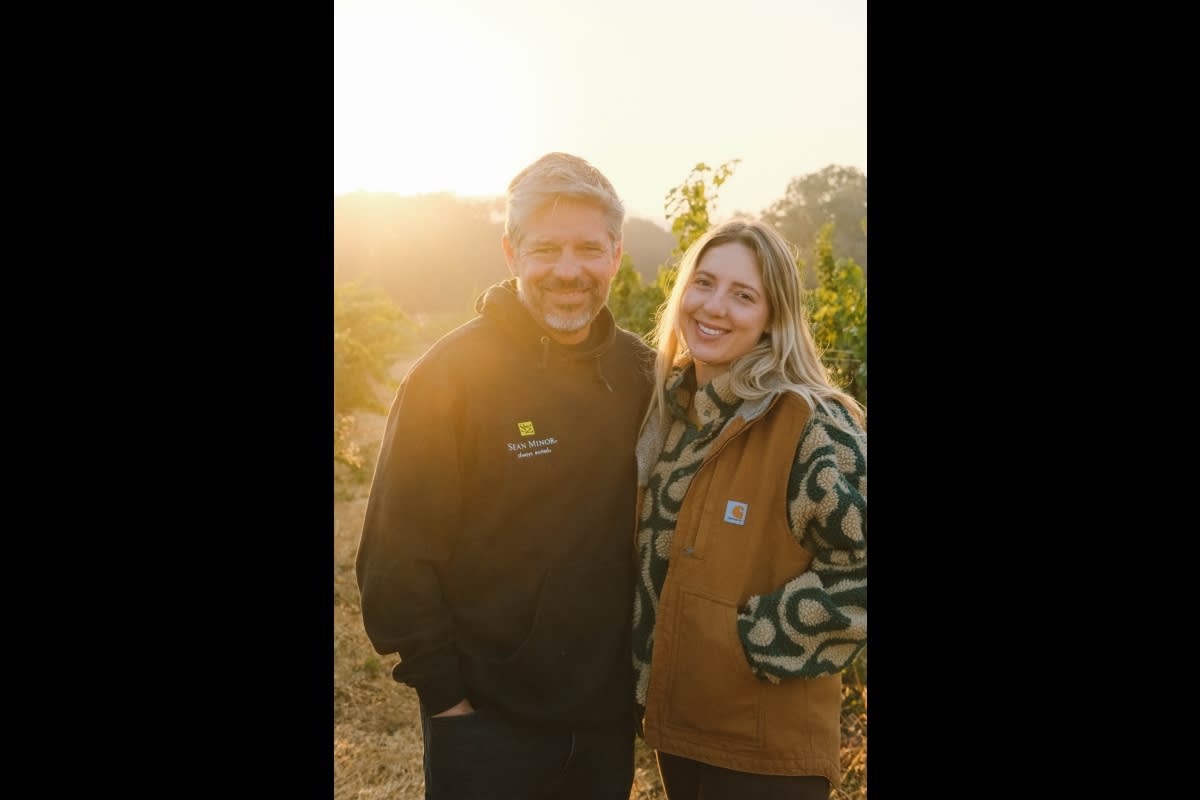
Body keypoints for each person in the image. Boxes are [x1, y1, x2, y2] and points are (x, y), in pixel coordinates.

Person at [355, 152, 655, 800]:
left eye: (587, 248)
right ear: (511, 252)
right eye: (546, 249)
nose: (568, 271)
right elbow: (393, 561)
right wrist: (448, 705)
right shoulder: (450, 377)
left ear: (616, 253)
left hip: (605, 728)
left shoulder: (641, 377)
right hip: (486, 730)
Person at [630, 219, 867, 800]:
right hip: (683, 732)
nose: (715, 307)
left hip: (767, 750)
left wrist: (753, 640)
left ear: (773, 317)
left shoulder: (811, 422)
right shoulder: (674, 414)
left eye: (743, 295)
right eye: (704, 283)